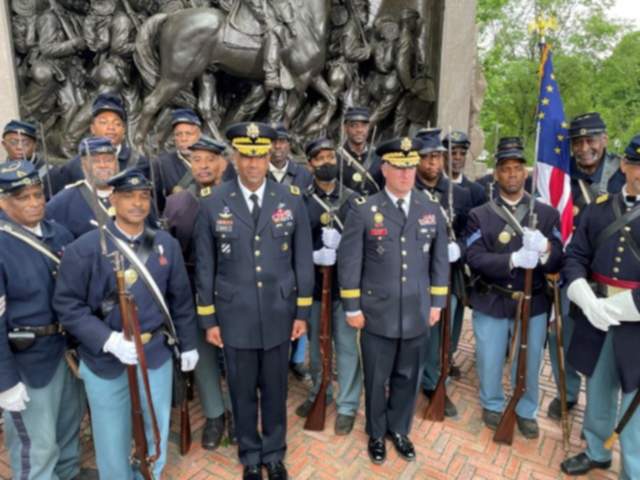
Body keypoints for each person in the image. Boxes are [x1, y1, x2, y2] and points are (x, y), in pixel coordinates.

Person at [53, 168, 199, 479]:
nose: (137, 203)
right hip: (104, 359)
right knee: (110, 437)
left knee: (155, 430)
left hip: (155, 355)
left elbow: (181, 301)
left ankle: (150, 474)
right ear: (113, 200)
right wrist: (108, 340)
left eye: (143, 196)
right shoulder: (85, 248)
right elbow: (67, 305)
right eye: (128, 196)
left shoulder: (165, 244)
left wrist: (188, 345)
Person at [194, 122, 314, 480]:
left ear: (268, 157)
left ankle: (274, 453)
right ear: (234, 157)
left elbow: (302, 260)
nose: (252, 164)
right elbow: (205, 265)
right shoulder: (214, 202)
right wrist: (209, 320)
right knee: (242, 390)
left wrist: (302, 312)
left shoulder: (291, 199)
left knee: (276, 389)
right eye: (245, 156)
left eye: (258, 156)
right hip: (234, 315)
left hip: (279, 311)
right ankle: (249, 455)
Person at [338, 136, 449, 464]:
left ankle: (399, 428)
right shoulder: (365, 210)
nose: (406, 174)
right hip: (377, 312)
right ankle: (376, 432)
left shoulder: (430, 208)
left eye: (410, 167)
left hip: (416, 310)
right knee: (376, 376)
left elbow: (439, 261)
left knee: (408, 375)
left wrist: (437, 303)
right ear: (384, 168)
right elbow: (350, 262)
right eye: (398, 167)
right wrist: (352, 307)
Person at [464, 140, 563, 438]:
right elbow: (474, 257)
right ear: (496, 174)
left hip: (532, 303)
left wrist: (545, 247)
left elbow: (560, 255)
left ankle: (526, 409)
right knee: (489, 358)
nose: (512, 175)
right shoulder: (479, 214)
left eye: (517, 169)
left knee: (530, 360)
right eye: (505, 169)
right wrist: (513, 259)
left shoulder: (546, 214)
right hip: (492, 298)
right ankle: (492, 403)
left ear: (525, 173)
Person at [560, 134, 640, 479]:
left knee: (635, 405)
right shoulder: (600, 207)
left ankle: (633, 469)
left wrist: (618, 308)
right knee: (598, 387)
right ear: (624, 165)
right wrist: (582, 293)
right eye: (636, 165)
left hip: (635, 321)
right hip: (596, 315)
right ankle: (597, 451)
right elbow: (576, 254)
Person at [0, 160, 83, 480]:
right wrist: (5, 381)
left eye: (38, 194)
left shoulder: (59, 233)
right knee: (36, 446)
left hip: (65, 351)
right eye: (23, 197)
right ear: (4, 202)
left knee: (67, 431)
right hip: (28, 361)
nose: (34, 202)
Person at [547, 112, 624, 420]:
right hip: (571, 272)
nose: (583, 148)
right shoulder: (561, 176)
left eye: (590, 140)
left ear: (604, 139)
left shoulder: (623, 175)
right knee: (559, 333)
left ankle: (599, 411)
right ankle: (566, 392)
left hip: (611, 276)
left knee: (604, 344)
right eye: (577, 142)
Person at [163, 136, 233, 449]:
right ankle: (215, 415)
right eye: (197, 160)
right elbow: (167, 250)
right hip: (192, 290)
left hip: (233, 289)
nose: (202, 166)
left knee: (236, 355)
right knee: (204, 356)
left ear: (224, 162)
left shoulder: (236, 197)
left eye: (209, 159)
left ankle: (236, 410)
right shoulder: (178, 202)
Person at [295, 137, 362, 435]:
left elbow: (364, 245)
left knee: (347, 347)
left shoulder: (355, 200)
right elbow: (293, 245)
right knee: (317, 344)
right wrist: (313, 255)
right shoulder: (300, 201)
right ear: (310, 164)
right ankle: (320, 391)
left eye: (330, 157)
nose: (326, 162)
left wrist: (342, 248)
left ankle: (347, 405)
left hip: (345, 289)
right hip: (314, 287)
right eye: (319, 158)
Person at [414, 128, 472, 415]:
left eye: (437, 156)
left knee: (446, 334)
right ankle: (411, 383)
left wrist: (459, 247)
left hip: (449, 276)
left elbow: (470, 233)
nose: (432, 163)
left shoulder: (458, 195)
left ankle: (437, 383)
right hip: (414, 276)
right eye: (426, 157)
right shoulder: (407, 191)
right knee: (416, 332)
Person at [56, 93, 146, 192]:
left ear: (124, 129)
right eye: (103, 122)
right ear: (92, 128)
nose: (111, 128)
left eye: (117, 123)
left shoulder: (140, 163)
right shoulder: (75, 165)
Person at [46, 137, 119, 238]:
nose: (103, 165)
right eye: (95, 161)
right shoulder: (64, 200)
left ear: (116, 162)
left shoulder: (132, 193)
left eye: (108, 160)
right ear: (83, 165)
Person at [154, 108, 203, 210]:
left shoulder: (213, 162)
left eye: (188, 134)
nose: (183, 139)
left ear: (199, 136)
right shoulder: (161, 164)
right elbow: (156, 203)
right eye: (178, 134)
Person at [2, 120, 60, 198]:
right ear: (4, 144)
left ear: (34, 145)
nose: (19, 147)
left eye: (25, 143)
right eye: (13, 142)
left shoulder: (50, 173)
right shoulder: (2, 174)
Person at [337, 107, 384, 196]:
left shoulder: (379, 156)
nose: (359, 130)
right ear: (345, 127)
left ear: (369, 127)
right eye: (354, 125)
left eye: (364, 125)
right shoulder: (336, 157)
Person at [443, 130, 486, 208]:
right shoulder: (433, 185)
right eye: (453, 153)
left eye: (462, 154)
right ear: (444, 155)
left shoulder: (477, 192)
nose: (458, 157)